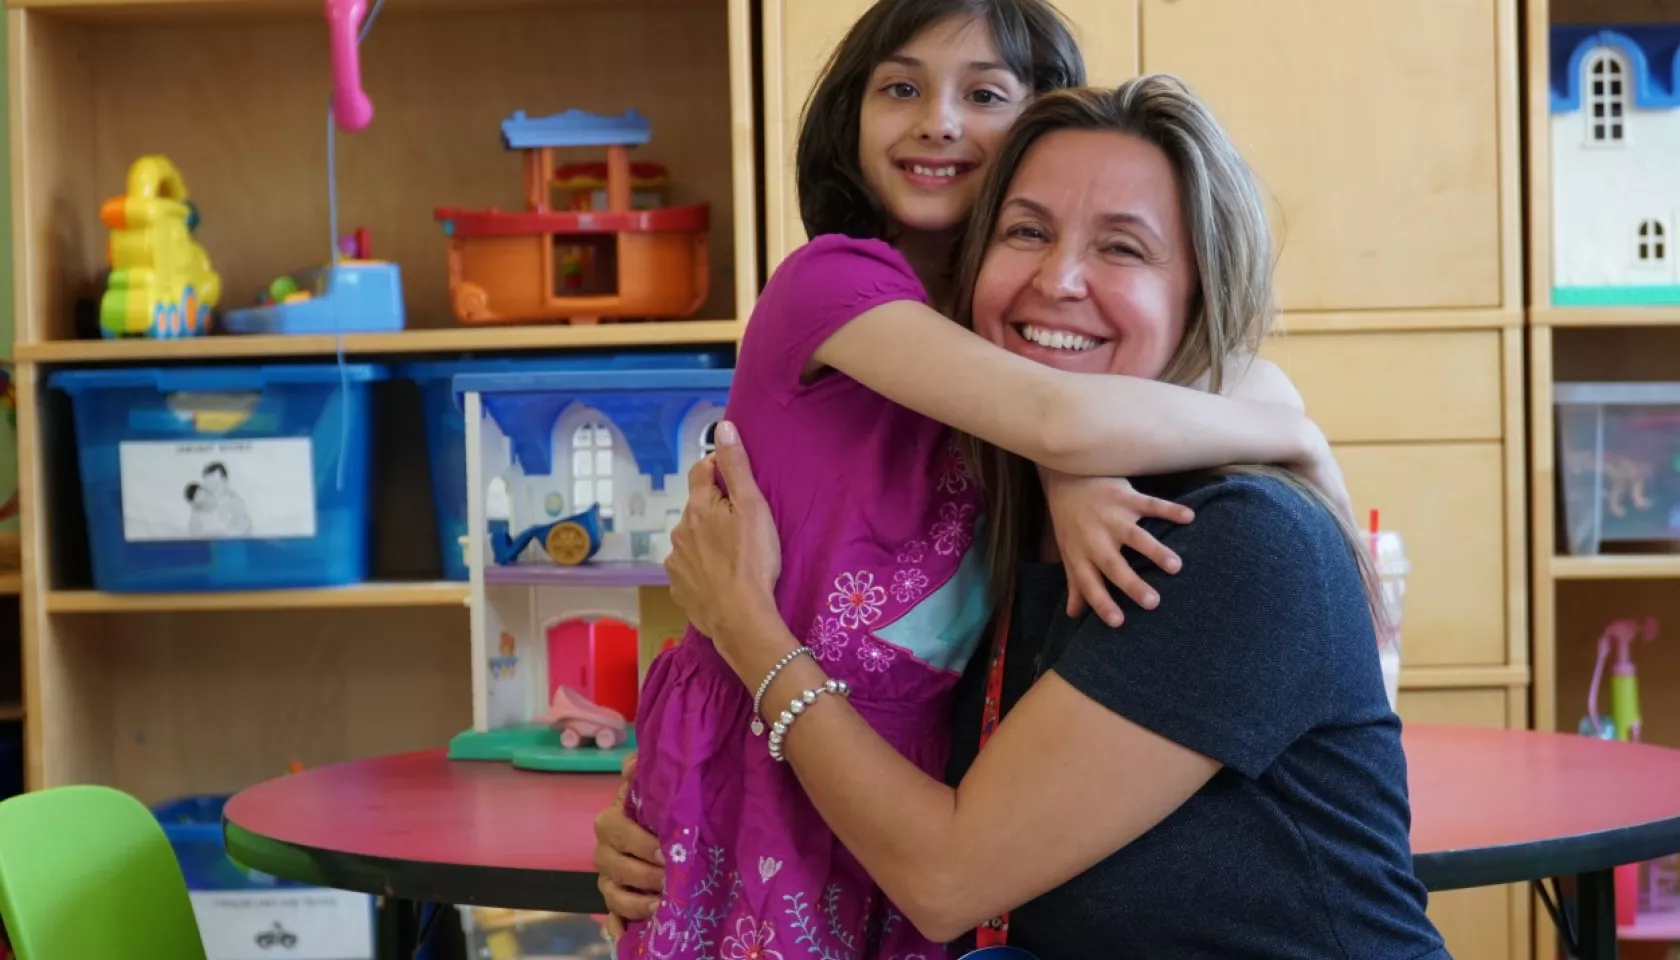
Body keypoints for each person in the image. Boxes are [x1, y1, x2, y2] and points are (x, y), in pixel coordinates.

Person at [615, 76, 1454, 960]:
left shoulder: (1236, 540)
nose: (1059, 280)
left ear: (1201, 300)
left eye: (1123, 248)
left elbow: (945, 877)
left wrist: (750, 632)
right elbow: (885, 755)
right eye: (1026, 232)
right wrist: (671, 821)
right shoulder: (988, 511)